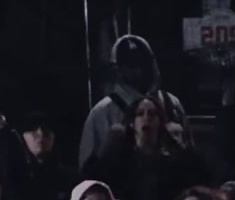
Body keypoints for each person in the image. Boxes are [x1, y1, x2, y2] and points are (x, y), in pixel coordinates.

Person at [79, 35, 190, 169]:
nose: (138, 70)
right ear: (118, 69)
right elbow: (86, 173)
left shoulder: (172, 103)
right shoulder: (102, 112)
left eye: (142, 62)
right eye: (130, 64)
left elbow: (193, 158)